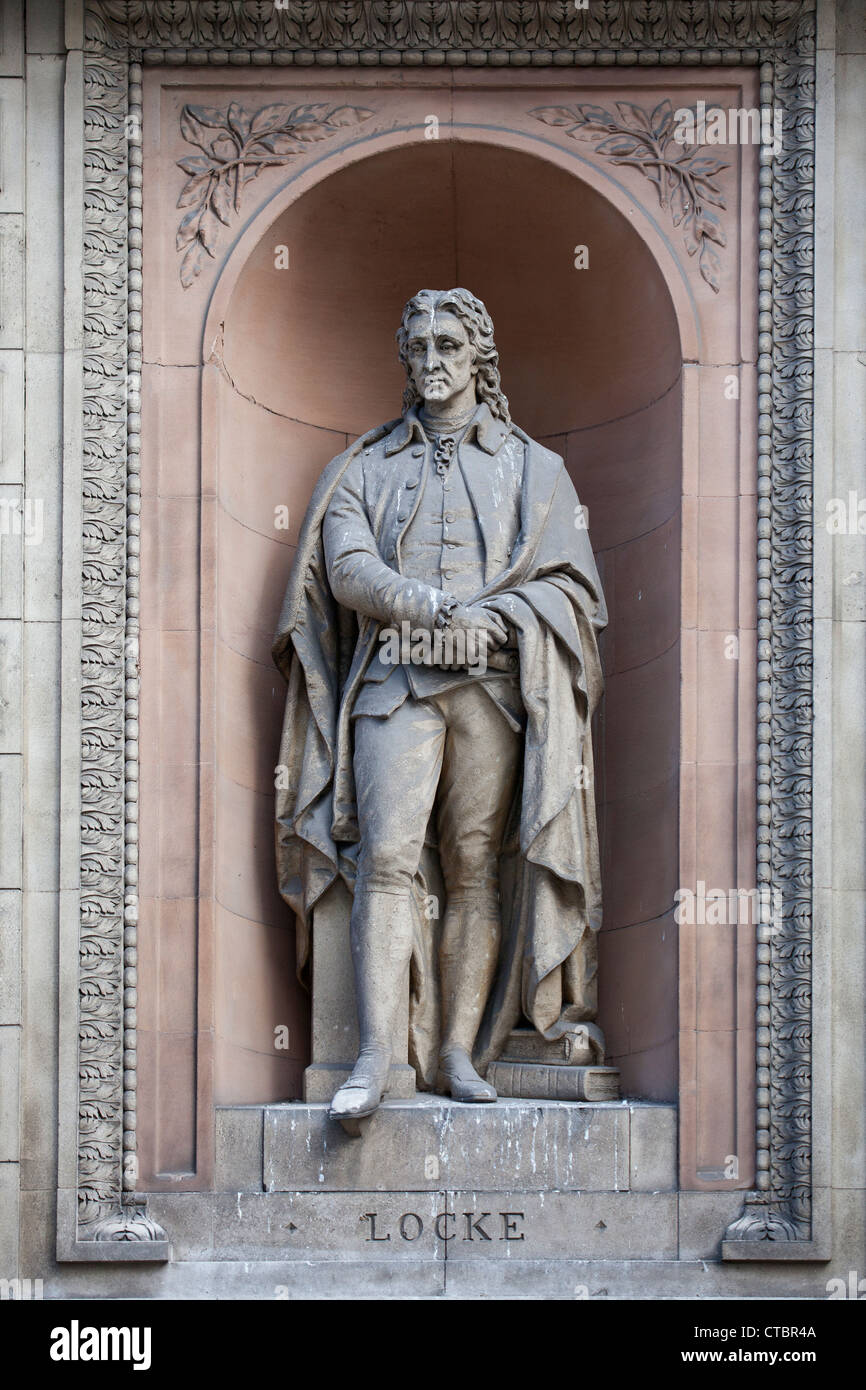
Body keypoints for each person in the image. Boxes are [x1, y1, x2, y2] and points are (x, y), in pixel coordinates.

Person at [273, 288, 607, 1122]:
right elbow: (344, 568)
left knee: (472, 871)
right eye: (417, 346)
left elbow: (573, 591)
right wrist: (430, 608)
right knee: (385, 860)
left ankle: (460, 1051)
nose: (431, 360)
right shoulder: (364, 466)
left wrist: (494, 619)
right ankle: (377, 1057)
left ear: (479, 356)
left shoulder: (535, 468)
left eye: (449, 344)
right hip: (396, 684)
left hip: (492, 689)